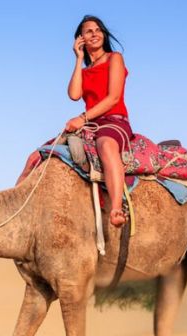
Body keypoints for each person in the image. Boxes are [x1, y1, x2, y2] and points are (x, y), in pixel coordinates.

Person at [65, 15, 132, 227]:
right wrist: (78, 58)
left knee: (106, 145)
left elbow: (113, 97)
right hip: (90, 125)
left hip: (114, 120)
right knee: (40, 154)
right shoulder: (84, 71)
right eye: (88, 31)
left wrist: (82, 117)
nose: (94, 34)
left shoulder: (115, 58)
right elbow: (74, 95)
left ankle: (115, 207)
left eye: (97, 30)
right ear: (81, 39)